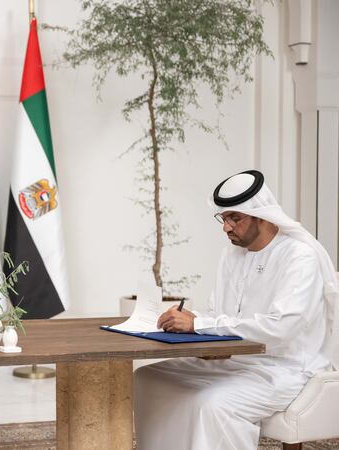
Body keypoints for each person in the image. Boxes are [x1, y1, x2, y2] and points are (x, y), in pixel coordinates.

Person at [134, 169, 339, 450]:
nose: (226, 227)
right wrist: (190, 321)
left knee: (212, 404)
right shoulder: (231, 253)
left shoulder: (298, 255)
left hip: (286, 369)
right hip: (234, 361)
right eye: (223, 218)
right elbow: (218, 312)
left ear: (261, 215)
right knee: (148, 377)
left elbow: (281, 327)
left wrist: (200, 324)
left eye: (235, 218)